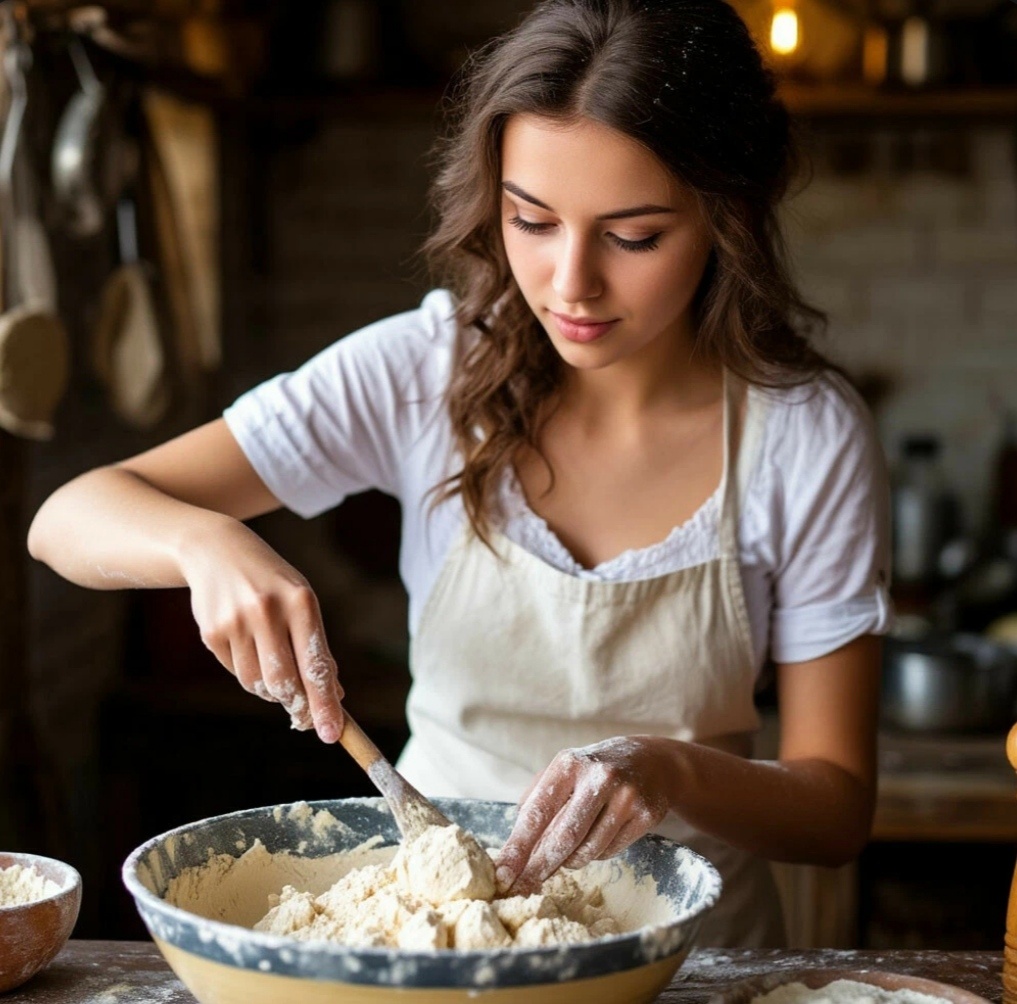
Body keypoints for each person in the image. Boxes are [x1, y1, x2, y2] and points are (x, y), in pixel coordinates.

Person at [28, 0, 892, 947]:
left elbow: (833, 813)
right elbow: (67, 517)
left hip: (693, 965)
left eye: (633, 236)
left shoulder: (804, 436)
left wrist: (671, 771)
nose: (570, 281)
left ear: (728, 215)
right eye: (532, 220)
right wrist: (203, 542)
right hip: (439, 946)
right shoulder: (423, 373)